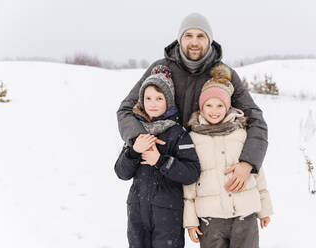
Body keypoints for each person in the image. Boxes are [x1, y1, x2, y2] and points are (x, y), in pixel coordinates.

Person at [117, 12, 268, 195]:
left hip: (206, 180)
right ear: (180, 39)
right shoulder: (160, 69)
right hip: (161, 172)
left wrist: (248, 162)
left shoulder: (224, 75)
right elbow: (125, 109)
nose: (194, 42)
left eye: (200, 36)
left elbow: (255, 119)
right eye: (188, 35)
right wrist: (141, 140)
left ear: (209, 40)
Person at [183, 64, 273, 248]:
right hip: (210, 219)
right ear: (201, 107)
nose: (214, 110)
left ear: (228, 107)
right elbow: (189, 183)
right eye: (208, 105)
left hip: (245, 215)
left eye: (219, 105)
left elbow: (257, 173)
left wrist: (264, 208)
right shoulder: (193, 137)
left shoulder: (240, 133)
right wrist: (190, 220)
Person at [114, 65, 200, 248]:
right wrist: (134, 151)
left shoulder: (178, 134)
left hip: (168, 215)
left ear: (168, 101)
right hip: (137, 212)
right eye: (148, 98)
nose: (153, 103)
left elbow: (192, 173)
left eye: (159, 98)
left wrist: (161, 161)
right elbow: (121, 172)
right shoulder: (137, 133)